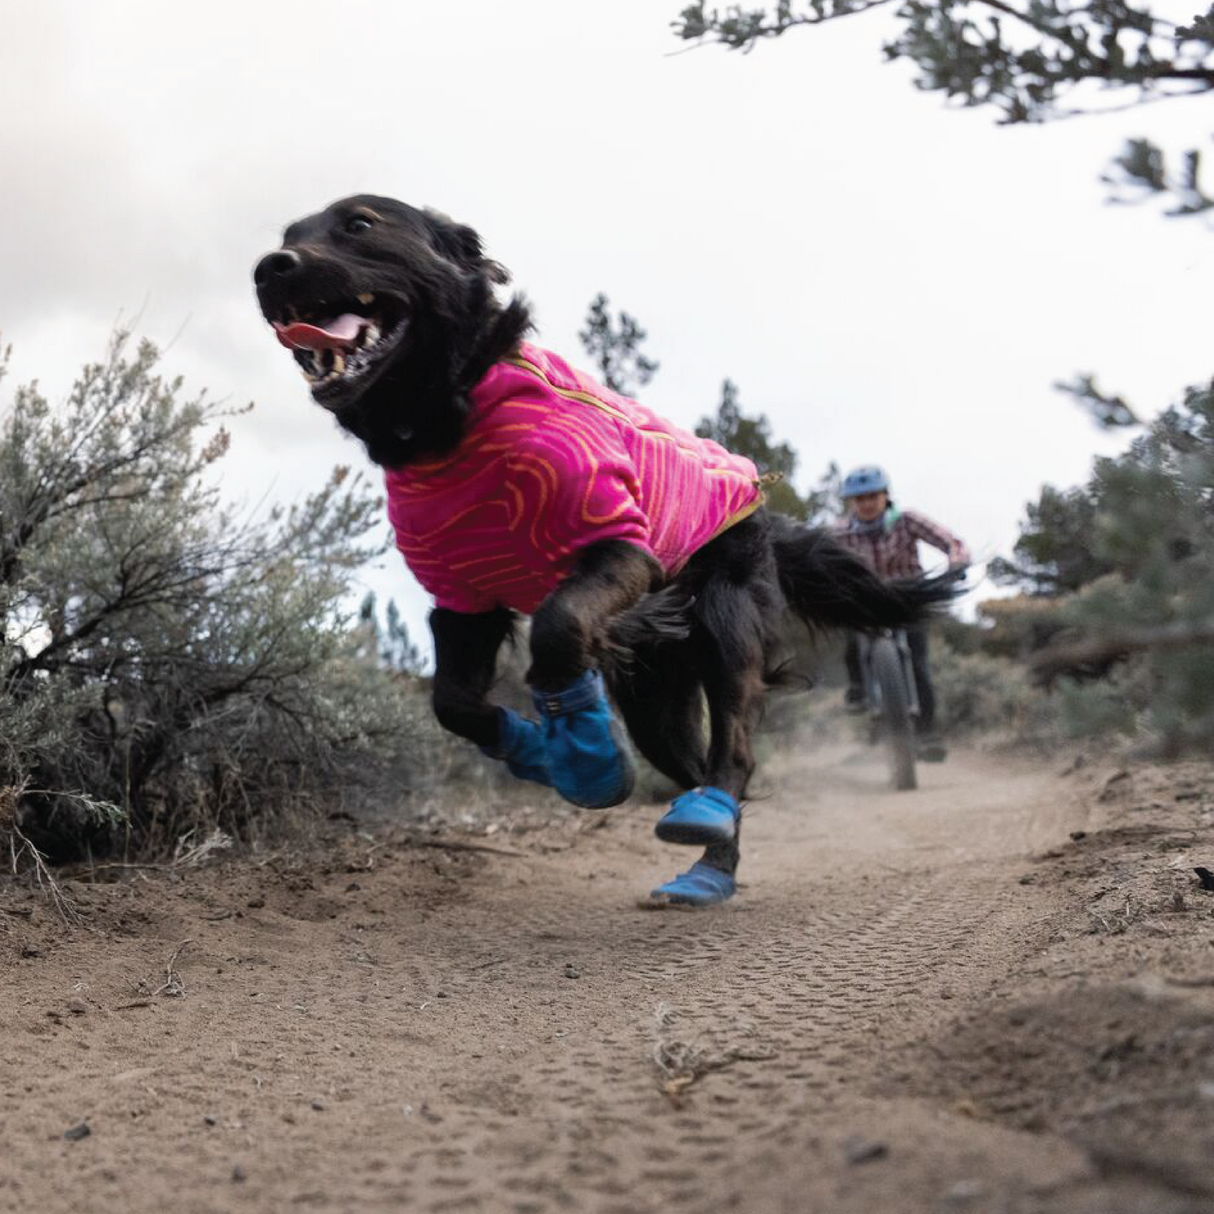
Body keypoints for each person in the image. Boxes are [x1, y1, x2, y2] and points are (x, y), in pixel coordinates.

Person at [833, 466, 969, 760]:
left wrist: (956, 563)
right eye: (859, 499)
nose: (866, 503)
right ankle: (859, 688)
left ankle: (927, 732)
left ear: (885, 496)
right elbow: (818, 561)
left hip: (908, 597)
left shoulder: (907, 521)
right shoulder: (838, 533)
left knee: (919, 662)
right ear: (850, 503)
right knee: (849, 636)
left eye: (872, 496)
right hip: (865, 602)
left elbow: (950, 542)